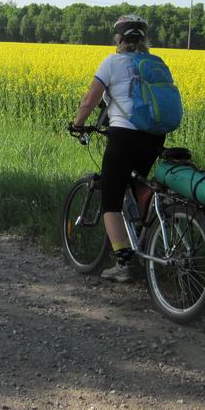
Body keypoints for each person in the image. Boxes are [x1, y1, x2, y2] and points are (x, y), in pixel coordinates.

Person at [70, 15, 167, 283]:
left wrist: (77, 124)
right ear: (144, 40)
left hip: (124, 136)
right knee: (136, 184)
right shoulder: (156, 63)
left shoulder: (112, 63)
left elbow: (91, 99)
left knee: (110, 200)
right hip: (155, 137)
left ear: (119, 39)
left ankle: (124, 264)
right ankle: (146, 238)